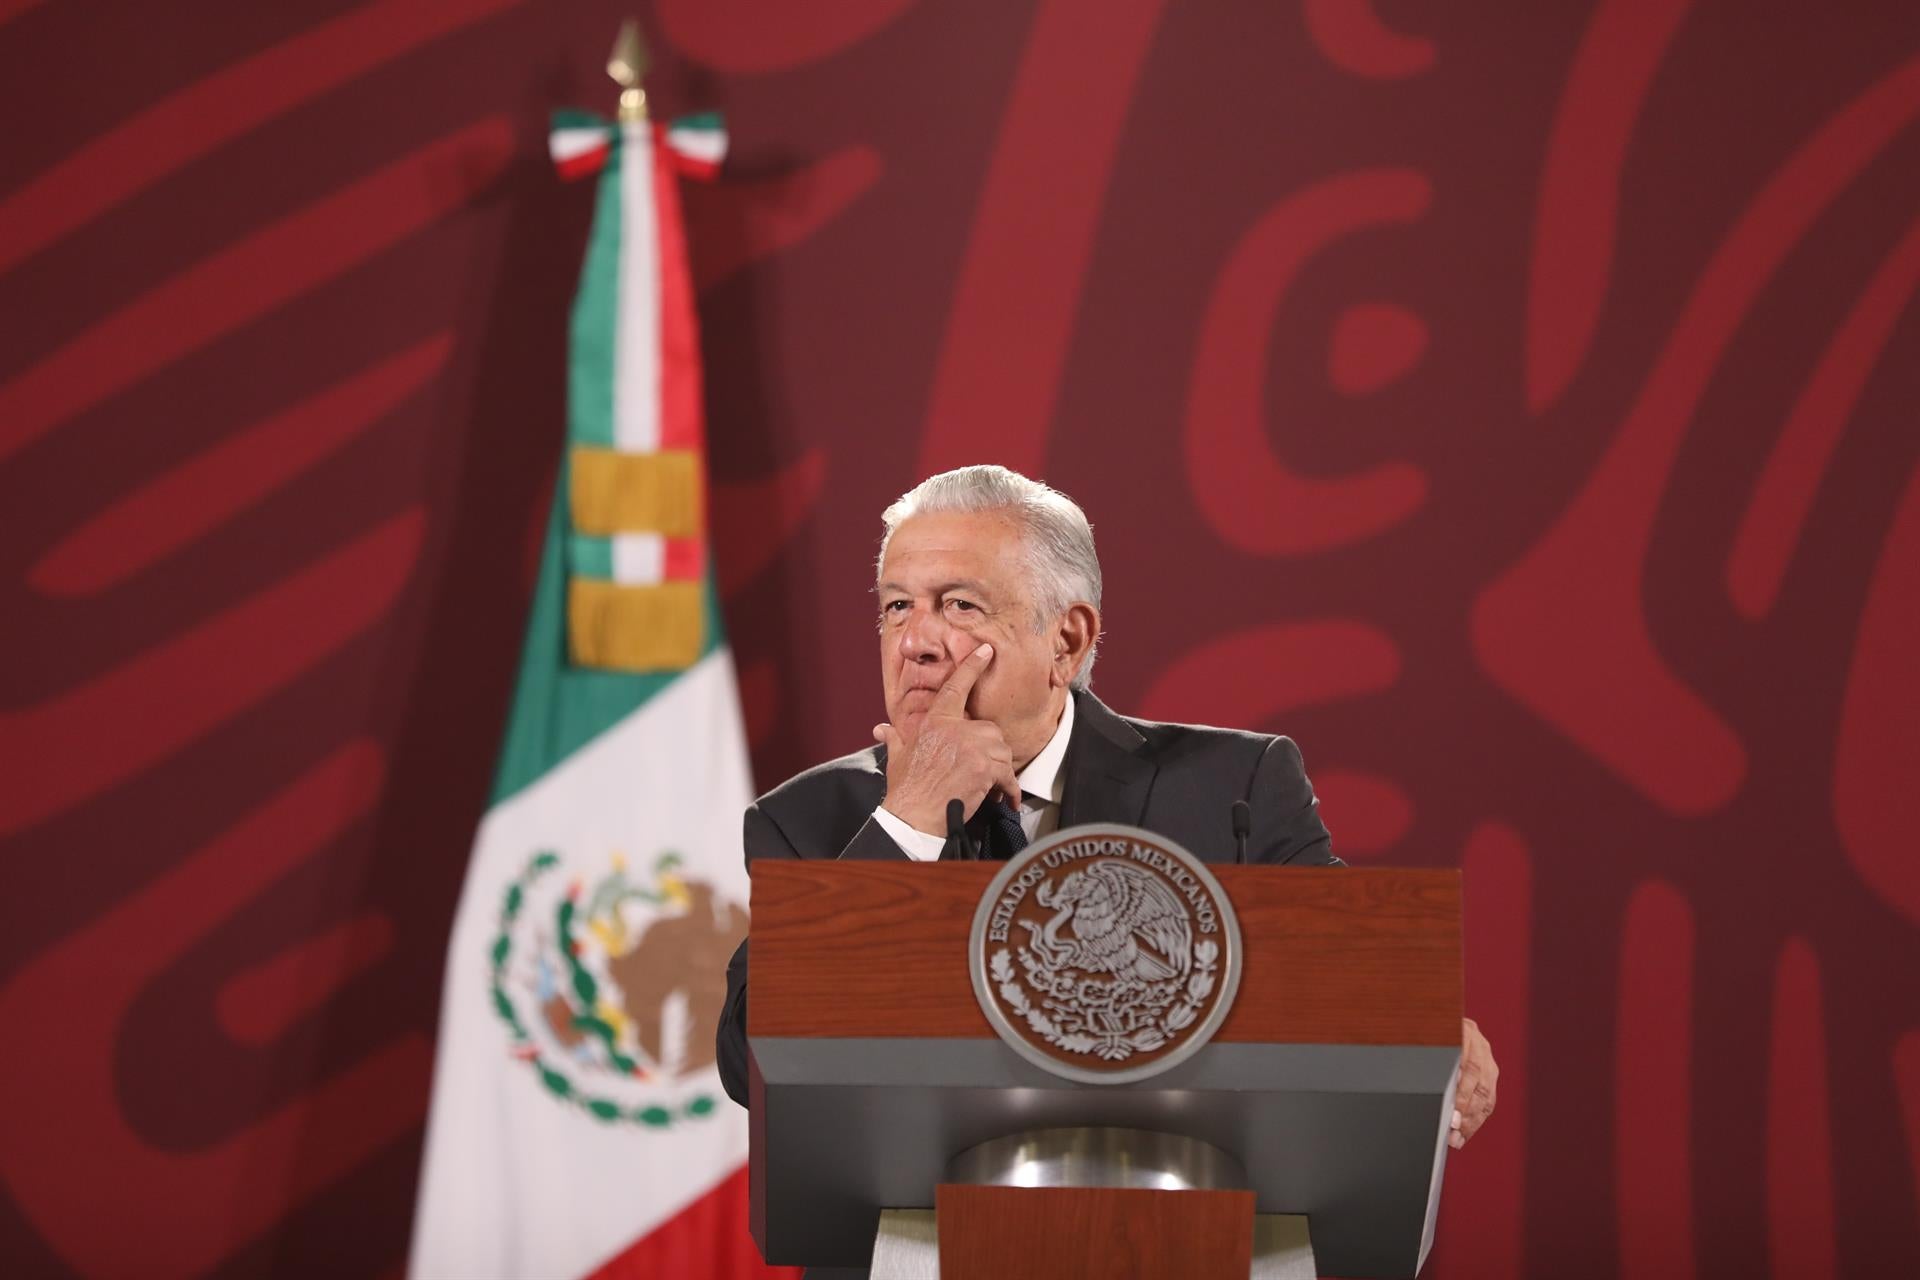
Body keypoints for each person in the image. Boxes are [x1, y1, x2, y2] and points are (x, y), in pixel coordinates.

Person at [714, 465, 1497, 1147]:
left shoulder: (1237, 786)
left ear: (1067, 642)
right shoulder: (809, 820)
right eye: (895, 607)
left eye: (957, 605)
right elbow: (755, 1064)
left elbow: (1348, 979)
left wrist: (1425, 1030)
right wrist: (911, 818)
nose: (914, 642)